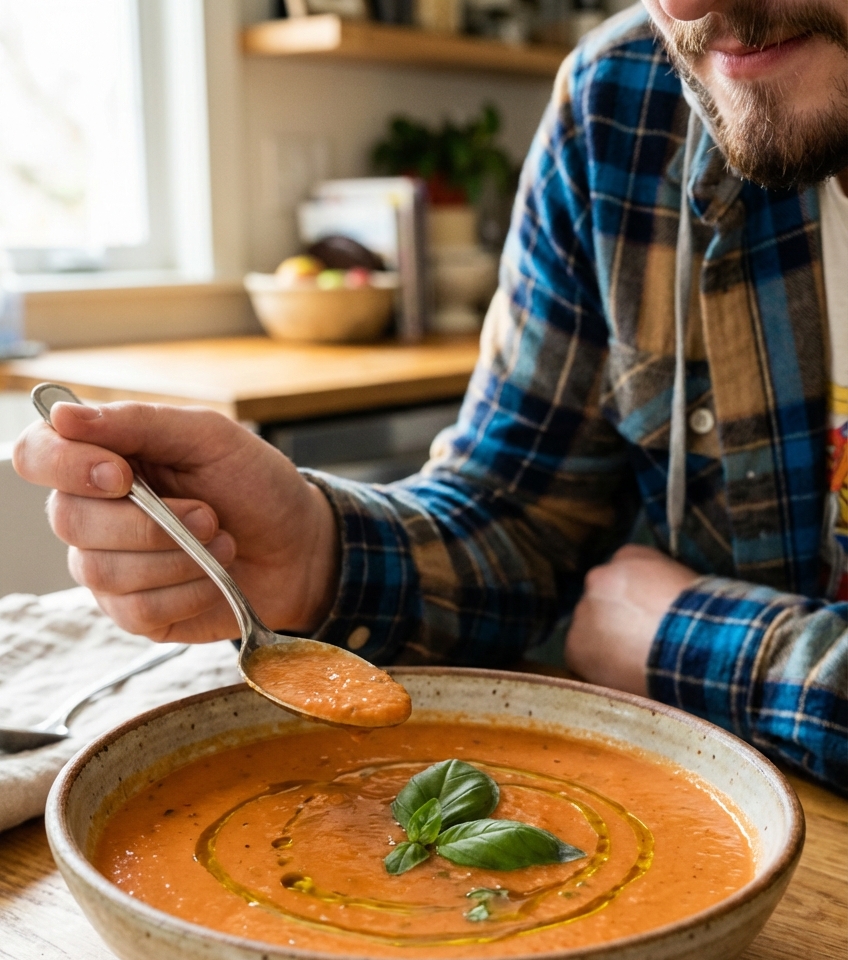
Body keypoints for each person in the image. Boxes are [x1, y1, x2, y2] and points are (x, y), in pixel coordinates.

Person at [13, 0, 847, 791]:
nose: (689, 7)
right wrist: (315, 553)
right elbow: (520, 516)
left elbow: (675, 644)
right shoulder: (621, 103)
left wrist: (685, 644)